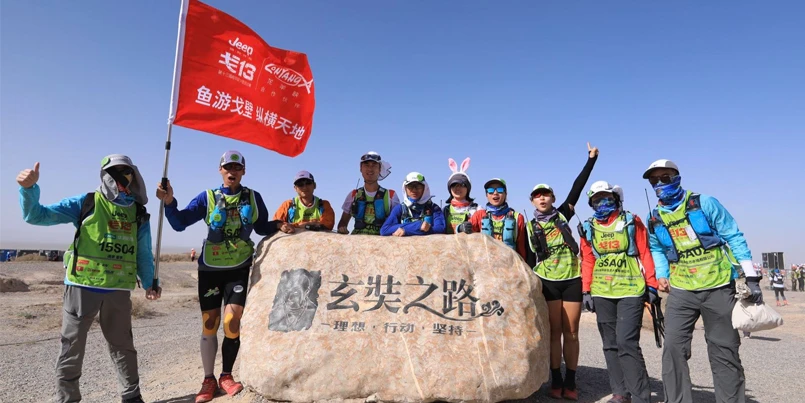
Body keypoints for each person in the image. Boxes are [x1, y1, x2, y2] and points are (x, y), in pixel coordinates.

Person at [17, 155, 160, 403]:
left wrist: (149, 282)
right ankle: (68, 399)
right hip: (82, 287)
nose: (120, 178)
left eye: (126, 172)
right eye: (114, 172)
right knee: (72, 347)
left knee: (123, 346)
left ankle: (132, 396)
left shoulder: (138, 213)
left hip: (117, 290)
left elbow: (143, 253)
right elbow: (37, 216)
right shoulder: (86, 203)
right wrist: (29, 189)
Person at [155, 150, 294, 403]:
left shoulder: (253, 197)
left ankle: (226, 376)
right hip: (210, 269)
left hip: (238, 268)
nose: (233, 171)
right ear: (220, 170)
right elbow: (179, 223)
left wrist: (278, 225)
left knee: (232, 322)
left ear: (243, 171)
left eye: (237, 168)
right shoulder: (207, 197)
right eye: (228, 167)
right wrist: (169, 203)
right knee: (210, 324)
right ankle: (208, 380)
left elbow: (261, 226)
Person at [644, 159, 763, 403]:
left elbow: (733, 235)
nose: (659, 183)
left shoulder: (704, 203)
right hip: (682, 290)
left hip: (718, 287)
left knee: (724, 351)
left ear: (677, 177)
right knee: (673, 350)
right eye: (654, 180)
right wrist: (662, 273)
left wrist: (751, 276)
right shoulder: (654, 217)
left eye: (664, 178)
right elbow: (656, 247)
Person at [524, 142, 598, 400]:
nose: (542, 198)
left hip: (572, 279)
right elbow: (527, 256)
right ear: (532, 200)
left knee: (572, 332)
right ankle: (556, 379)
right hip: (547, 281)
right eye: (537, 195)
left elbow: (578, 187)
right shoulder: (529, 225)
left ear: (553, 198)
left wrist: (591, 160)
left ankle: (571, 381)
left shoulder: (564, 214)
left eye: (546, 194)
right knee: (555, 332)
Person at [579, 181, 658, 403]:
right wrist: (586, 290)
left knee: (627, 342)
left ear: (615, 199)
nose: (601, 203)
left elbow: (645, 251)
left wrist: (651, 284)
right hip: (602, 291)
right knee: (610, 344)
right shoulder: (588, 227)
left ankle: (642, 395)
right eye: (596, 200)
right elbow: (587, 259)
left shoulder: (631, 221)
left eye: (606, 198)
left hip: (631, 290)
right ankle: (620, 392)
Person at [337, 151, 400, 235]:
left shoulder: (391, 196)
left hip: (382, 243)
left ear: (379, 168)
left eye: (374, 165)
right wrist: (342, 229)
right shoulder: (353, 195)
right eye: (366, 165)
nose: (370, 169)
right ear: (360, 168)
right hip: (357, 242)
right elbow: (342, 223)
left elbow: (396, 224)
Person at [470, 178, 528, 260]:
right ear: (486, 195)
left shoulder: (517, 217)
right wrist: (462, 227)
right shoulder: (479, 215)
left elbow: (521, 247)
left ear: (505, 193)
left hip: (510, 266)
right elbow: (462, 233)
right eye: (490, 190)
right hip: (486, 265)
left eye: (500, 190)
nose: (495, 193)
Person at [380, 172, 445, 236]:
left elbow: (441, 229)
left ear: (424, 188)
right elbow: (385, 230)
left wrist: (406, 230)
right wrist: (417, 226)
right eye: (410, 186)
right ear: (405, 189)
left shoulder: (434, 208)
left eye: (418, 186)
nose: (414, 190)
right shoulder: (400, 208)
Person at [443, 157, 478, 234]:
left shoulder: (477, 210)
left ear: (468, 188)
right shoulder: (445, 211)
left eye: (462, 185)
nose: (458, 188)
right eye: (454, 185)